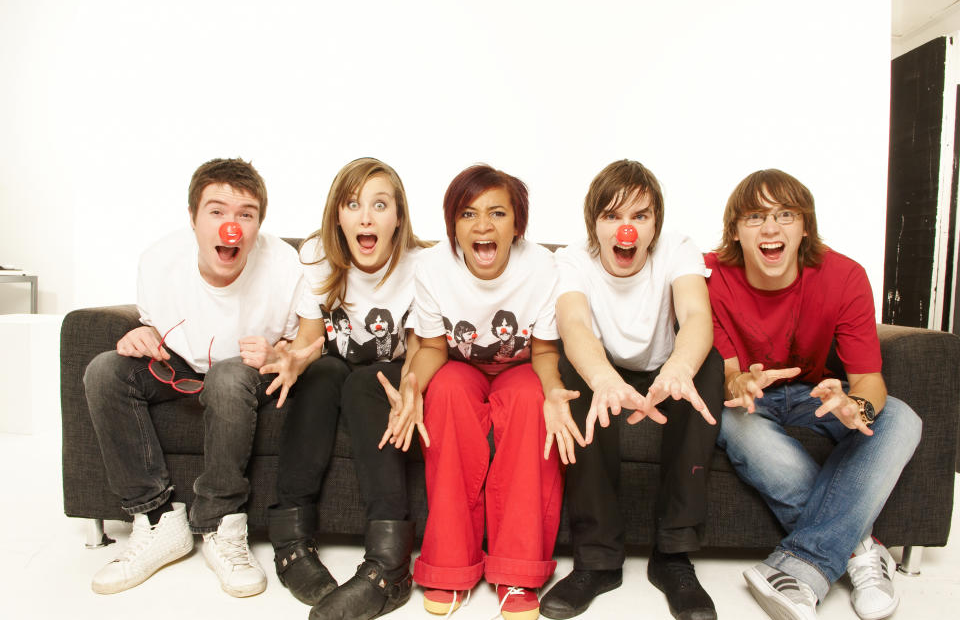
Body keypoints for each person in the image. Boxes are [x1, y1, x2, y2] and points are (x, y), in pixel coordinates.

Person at [705, 168, 922, 620]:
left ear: (805, 227)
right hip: (750, 400)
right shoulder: (711, 277)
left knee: (901, 417)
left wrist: (854, 406)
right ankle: (863, 552)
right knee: (732, 417)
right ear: (735, 232)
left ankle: (802, 566)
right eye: (754, 217)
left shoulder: (843, 276)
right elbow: (727, 374)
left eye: (785, 214)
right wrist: (739, 382)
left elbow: (868, 380)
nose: (770, 228)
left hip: (816, 393)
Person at [84, 157, 304, 597]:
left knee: (226, 376)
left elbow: (298, 349)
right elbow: (151, 324)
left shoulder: (284, 264)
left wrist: (279, 352)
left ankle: (221, 524)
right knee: (104, 370)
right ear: (193, 218)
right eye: (217, 211)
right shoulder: (159, 261)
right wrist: (143, 334)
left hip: (244, 371)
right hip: (179, 361)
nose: (232, 227)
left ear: (259, 223)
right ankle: (157, 519)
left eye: (246, 214)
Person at [379, 164, 577, 620]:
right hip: (458, 366)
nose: (483, 226)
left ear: (517, 225)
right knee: (444, 390)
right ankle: (449, 570)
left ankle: (517, 572)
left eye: (497, 214)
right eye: (468, 215)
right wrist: (411, 384)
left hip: (523, 368)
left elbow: (545, 352)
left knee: (531, 400)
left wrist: (553, 392)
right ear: (453, 226)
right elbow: (431, 347)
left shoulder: (543, 267)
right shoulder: (432, 266)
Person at [540, 159, 723, 620]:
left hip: (665, 366)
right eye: (612, 216)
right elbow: (574, 322)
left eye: (639, 216)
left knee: (709, 366)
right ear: (594, 225)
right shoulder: (572, 259)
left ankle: (673, 559)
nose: (627, 230)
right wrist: (604, 380)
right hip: (603, 366)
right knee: (574, 369)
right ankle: (597, 562)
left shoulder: (678, 249)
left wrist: (679, 368)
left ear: (655, 226)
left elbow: (698, 316)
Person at [258, 157, 429, 620]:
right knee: (326, 373)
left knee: (362, 383)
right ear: (339, 215)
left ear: (398, 218)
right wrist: (296, 356)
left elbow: (418, 348)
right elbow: (314, 340)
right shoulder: (316, 253)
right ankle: (291, 539)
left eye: (379, 205)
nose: (366, 217)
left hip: (393, 374)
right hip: (337, 367)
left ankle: (389, 566)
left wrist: (410, 387)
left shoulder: (422, 265)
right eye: (353, 205)